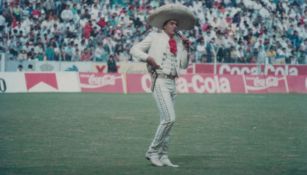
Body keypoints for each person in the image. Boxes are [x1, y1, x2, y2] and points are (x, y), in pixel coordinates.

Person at [130, 3, 195, 167]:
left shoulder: (180, 41)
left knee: (167, 122)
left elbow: (184, 65)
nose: (175, 26)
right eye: (172, 23)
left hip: (173, 82)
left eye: (176, 24)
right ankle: (152, 152)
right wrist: (147, 58)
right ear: (164, 25)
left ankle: (164, 155)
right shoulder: (154, 36)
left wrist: (187, 49)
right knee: (169, 119)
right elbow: (134, 49)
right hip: (159, 80)